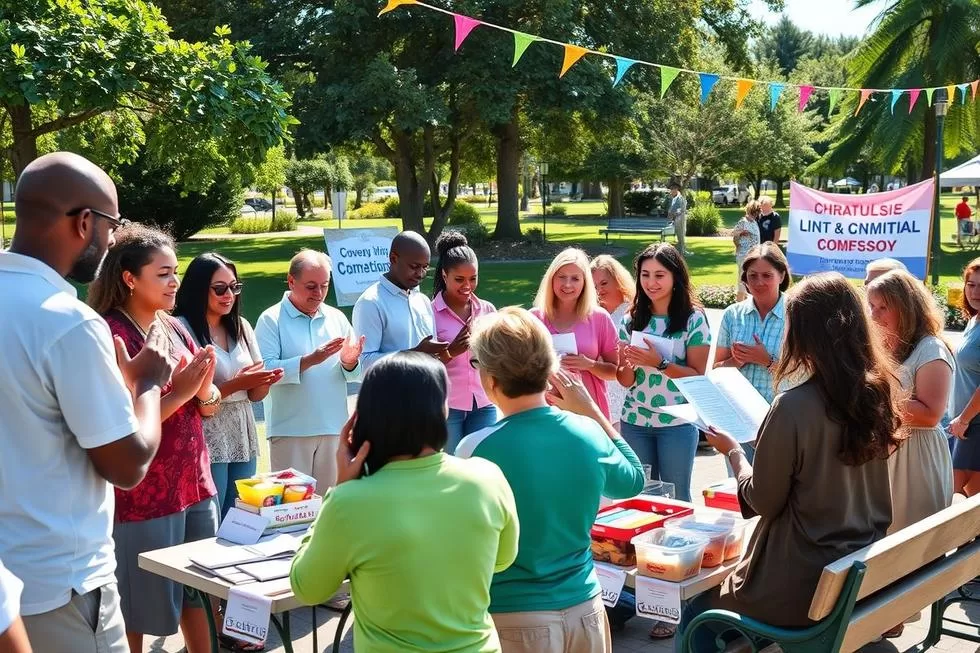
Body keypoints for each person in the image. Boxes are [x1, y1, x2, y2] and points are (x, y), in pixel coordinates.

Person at [0, 152, 173, 653]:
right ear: (84, 222)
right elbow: (126, 463)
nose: (112, 240)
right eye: (112, 225)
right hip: (59, 585)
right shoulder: (67, 321)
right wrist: (143, 384)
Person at [677, 273, 898, 651]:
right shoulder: (876, 393)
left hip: (799, 584)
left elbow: (763, 499)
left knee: (696, 616)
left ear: (805, 335)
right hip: (856, 570)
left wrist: (732, 452)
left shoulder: (794, 406)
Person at [290, 352, 520, 653]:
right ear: (440, 410)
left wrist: (338, 490)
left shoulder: (349, 501)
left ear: (366, 417)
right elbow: (503, 559)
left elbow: (308, 588)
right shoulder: (487, 477)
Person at [456, 307, 645, 653]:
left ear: (491, 379)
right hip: (586, 607)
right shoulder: (587, 432)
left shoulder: (474, 448)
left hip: (515, 615)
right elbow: (632, 480)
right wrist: (591, 412)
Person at [87, 225, 221, 653]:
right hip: (145, 494)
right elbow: (120, 427)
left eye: (175, 272)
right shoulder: (111, 337)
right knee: (138, 607)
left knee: (199, 593)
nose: (175, 282)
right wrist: (182, 391)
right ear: (130, 278)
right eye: (163, 274)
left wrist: (205, 389)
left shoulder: (173, 326)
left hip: (193, 483)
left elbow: (207, 404)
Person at [866, 269, 954, 638]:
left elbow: (930, 413)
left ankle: (886, 623)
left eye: (881, 308)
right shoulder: (891, 345)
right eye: (870, 307)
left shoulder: (931, 349)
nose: (873, 316)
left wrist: (872, 402)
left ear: (905, 307)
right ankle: (882, 623)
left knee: (902, 546)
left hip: (916, 460)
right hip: (892, 455)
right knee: (884, 544)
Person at [174, 253, 284, 518]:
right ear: (200, 289)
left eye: (234, 287)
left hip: (242, 426)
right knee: (212, 514)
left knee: (242, 513)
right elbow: (192, 398)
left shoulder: (242, 326)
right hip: (207, 430)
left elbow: (256, 395)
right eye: (220, 289)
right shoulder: (181, 328)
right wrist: (237, 383)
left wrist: (264, 380)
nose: (229, 295)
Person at [255, 250, 364, 492]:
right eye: (311, 286)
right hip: (291, 429)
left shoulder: (336, 318)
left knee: (329, 505)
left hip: (333, 428)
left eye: (324, 286)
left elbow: (354, 374)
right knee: (292, 509)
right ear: (291, 281)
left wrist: (349, 363)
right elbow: (265, 370)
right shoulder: (271, 319)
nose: (318, 294)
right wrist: (310, 360)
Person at [616, 243, 711, 503]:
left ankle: (681, 545)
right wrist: (626, 362)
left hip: (677, 423)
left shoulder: (694, 319)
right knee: (641, 498)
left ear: (675, 277)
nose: (651, 282)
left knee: (676, 496)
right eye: (645, 275)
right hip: (635, 420)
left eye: (659, 275)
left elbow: (696, 376)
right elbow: (626, 380)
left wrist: (659, 363)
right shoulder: (630, 319)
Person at [714, 243, 791, 465]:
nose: (759, 282)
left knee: (776, 494)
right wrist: (735, 361)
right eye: (752, 275)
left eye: (767, 275)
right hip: (738, 420)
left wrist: (766, 361)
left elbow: (805, 375)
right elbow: (716, 371)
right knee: (738, 491)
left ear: (782, 275)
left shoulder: (797, 313)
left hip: (780, 422)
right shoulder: (733, 314)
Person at [530, 248, 619, 419]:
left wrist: (590, 364)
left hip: (589, 410)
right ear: (551, 279)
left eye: (575, 278)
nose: (567, 284)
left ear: (585, 283)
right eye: (561, 277)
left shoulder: (599, 318)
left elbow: (615, 371)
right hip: (545, 410)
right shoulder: (534, 318)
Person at [431, 231, 497, 453]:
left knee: (483, 463)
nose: (467, 286)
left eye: (473, 278)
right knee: (453, 467)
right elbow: (421, 364)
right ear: (444, 275)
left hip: (484, 402)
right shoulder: (429, 312)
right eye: (459, 279)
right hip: (448, 407)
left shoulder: (487, 310)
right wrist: (451, 352)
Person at [353, 230, 447, 368]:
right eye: (414, 267)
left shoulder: (423, 301)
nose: (420, 274)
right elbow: (363, 364)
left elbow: (432, 355)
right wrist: (413, 354)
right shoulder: (370, 303)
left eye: (425, 267)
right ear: (393, 259)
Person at [590, 254, 636, 430]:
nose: (599, 290)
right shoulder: (592, 314)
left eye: (604, 283)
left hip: (625, 391)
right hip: (598, 390)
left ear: (618, 281)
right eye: (594, 286)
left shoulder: (631, 313)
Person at [948, 257, 980, 496]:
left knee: (947, 494)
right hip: (962, 424)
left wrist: (964, 419)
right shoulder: (974, 320)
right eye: (971, 285)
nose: (975, 292)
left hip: (973, 424)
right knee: (972, 502)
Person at [732, 200, 761, 301]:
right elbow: (734, 234)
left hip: (752, 255)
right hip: (744, 255)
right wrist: (740, 234)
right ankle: (739, 303)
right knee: (742, 280)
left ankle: (743, 302)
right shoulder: (744, 221)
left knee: (747, 280)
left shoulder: (754, 222)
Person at [667, 182, 690, 255]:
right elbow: (672, 209)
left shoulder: (680, 199)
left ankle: (682, 252)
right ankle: (681, 251)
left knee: (681, 236)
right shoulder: (674, 198)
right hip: (676, 220)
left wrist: (672, 214)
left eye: (672, 189)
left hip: (680, 219)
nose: (671, 191)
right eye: (671, 189)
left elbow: (680, 210)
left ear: (676, 189)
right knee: (679, 236)